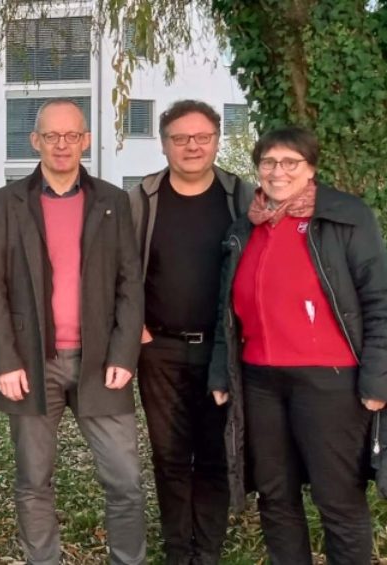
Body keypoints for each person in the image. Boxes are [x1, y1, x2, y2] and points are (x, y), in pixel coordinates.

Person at [209, 126, 387, 564]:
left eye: (290, 162)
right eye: (268, 163)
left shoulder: (345, 217)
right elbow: (226, 310)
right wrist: (222, 371)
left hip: (330, 382)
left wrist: (379, 381)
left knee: (337, 498)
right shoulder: (247, 226)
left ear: (311, 168)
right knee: (275, 497)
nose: (278, 172)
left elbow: (381, 302)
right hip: (259, 380)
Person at [0, 99, 145, 565]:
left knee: (126, 481)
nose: (62, 145)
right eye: (51, 136)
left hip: (101, 362)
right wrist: (5, 361)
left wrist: (123, 354)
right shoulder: (6, 202)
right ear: (35, 141)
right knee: (33, 481)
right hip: (32, 364)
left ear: (86, 140)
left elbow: (130, 284)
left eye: (72, 135)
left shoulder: (112, 201)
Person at [128, 100, 255, 565]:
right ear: (165, 145)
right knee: (171, 458)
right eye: (180, 138)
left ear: (217, 140)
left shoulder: (241, 197)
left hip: (224, 351)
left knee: (216, 455)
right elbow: (120, 270)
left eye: (202, 137)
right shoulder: (142, 199)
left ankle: (209, 552)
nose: (192, 146)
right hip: (158, 349)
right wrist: (134, 325)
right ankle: (178, 551)